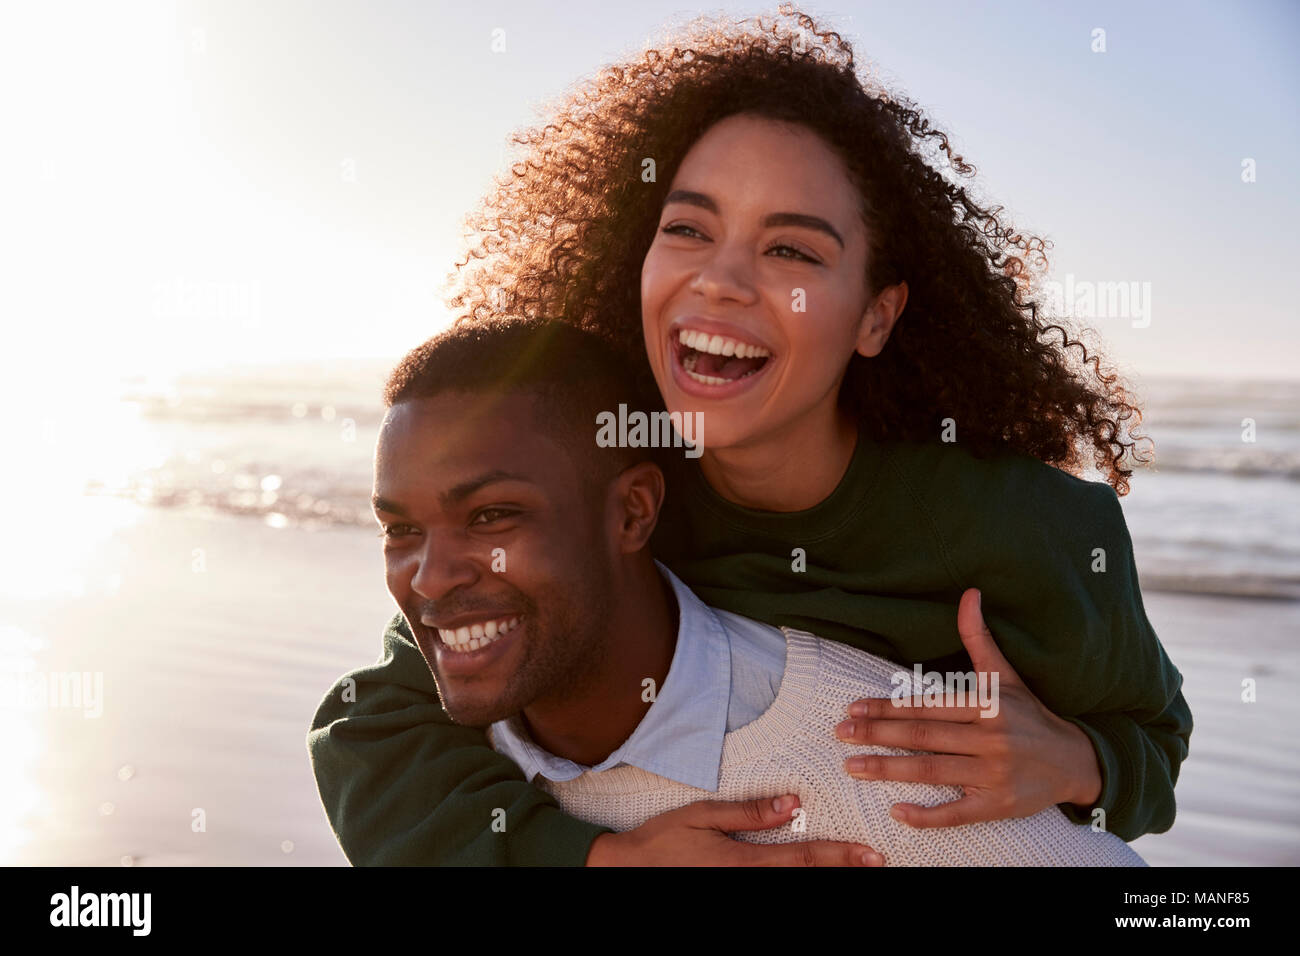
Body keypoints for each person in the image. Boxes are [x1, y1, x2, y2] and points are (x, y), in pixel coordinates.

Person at [308, 8, 1190, 866]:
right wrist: (594, 858)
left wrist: (1081, 762)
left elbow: (1153, 740)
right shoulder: (608, 482)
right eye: (688, 229)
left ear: (875, 317)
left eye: (792, 252)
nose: (720, 280)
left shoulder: (1026, 526)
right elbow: (373, 728)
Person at [359, 316, 1143, 866]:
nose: (430, 578)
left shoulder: (883, 770)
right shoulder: (442, 752)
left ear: (634, 511)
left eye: (493, 516)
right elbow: (360, 726)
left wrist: (1090, 762)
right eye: (400, 529)